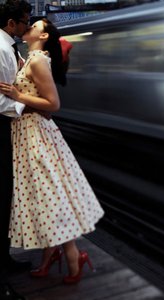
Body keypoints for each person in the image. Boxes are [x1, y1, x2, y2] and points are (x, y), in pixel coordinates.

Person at [0, 18, 105, 284]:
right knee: (44, 195)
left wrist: (16, 95)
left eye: (35, 25)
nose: (30, 27)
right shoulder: (32, 57)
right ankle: (50, 258)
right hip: (28, 132)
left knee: (48, 196)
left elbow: (53, 103)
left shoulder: (36, 60)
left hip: (35, 135)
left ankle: (73, 258)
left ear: (43, 35)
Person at [0, 0, 32, 299]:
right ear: (11, 23)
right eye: (24, 22)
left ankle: (4, 259)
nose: (27, 27)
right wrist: (24, 100)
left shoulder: (9, 48)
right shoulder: (1, 49)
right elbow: (1, 103)